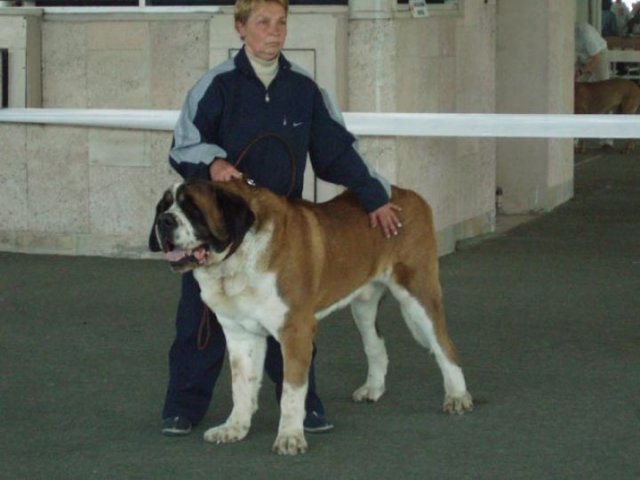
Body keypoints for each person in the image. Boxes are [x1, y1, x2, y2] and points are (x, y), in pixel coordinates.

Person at [160, 0, 402, 437]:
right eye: (263, 22)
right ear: (241, 28)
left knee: (291, 319)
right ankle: (183, 406)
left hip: (283, 228)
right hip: (221, 230)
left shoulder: (305, 89)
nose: (274, 31)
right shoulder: (215, 86)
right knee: (200, 321)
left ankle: (305, 408)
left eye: (281, 23)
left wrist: (374, 197)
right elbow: (183, 145)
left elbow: (337, 152)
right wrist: (213, 162)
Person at [575, 22, 614, 150]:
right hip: (582, 58)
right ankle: (576, 138)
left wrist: (582, 71)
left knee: (606, 96)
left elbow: (596, 58)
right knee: (574, 94)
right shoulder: (562, 36)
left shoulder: (584, 32)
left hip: (599, 55)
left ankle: (606, 139)